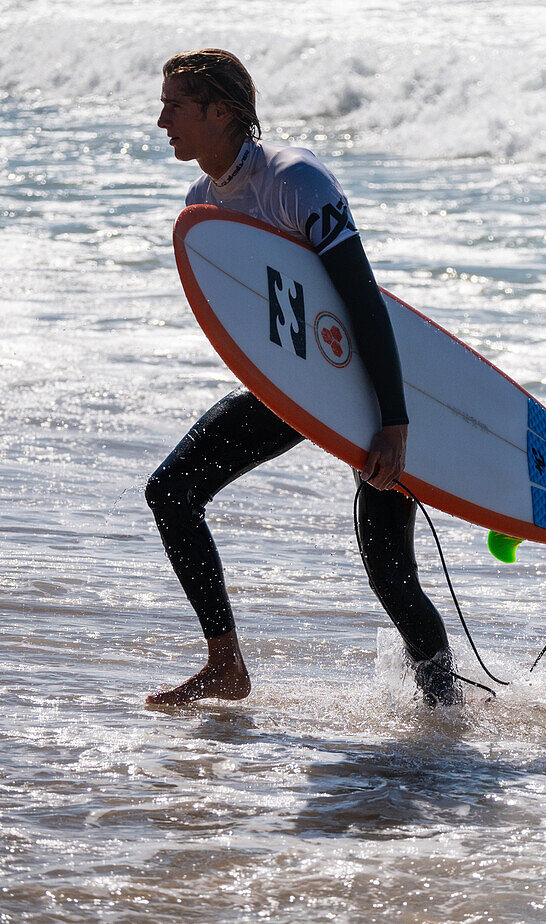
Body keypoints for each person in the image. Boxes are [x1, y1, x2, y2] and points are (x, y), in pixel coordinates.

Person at [146, 48, 461, 708]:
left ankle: (444, 715)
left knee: (390, 574)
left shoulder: (295, 180)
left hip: (370, 384)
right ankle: (225, 665)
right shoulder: (203, 203)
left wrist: (393, 422)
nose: (161, 120)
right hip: (293, 389)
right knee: (171, 491)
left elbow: (361, 298)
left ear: (221, 112)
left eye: (175, 105)